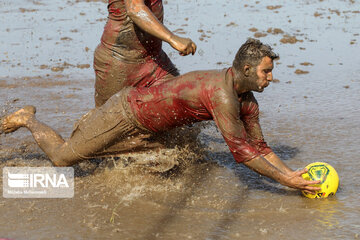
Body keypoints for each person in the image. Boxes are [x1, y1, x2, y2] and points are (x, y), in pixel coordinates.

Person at [1, 39, 320, 194]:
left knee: (139, 174)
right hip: (126, 113)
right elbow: (243, 153)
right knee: (62, 160)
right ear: (247, 70)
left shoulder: (246, 99)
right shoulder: (222, 96)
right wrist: (286, 180)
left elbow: (259, 146)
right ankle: (26, 118)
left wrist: (292, 175)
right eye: (266, 71)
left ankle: (86, 130)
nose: (270, 78)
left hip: (149, 128)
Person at [94, 0, 197, 107]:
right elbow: (135, 9)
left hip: (155, 61)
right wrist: (172, 38)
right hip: (120, 62)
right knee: (108, 117)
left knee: (181, 107)